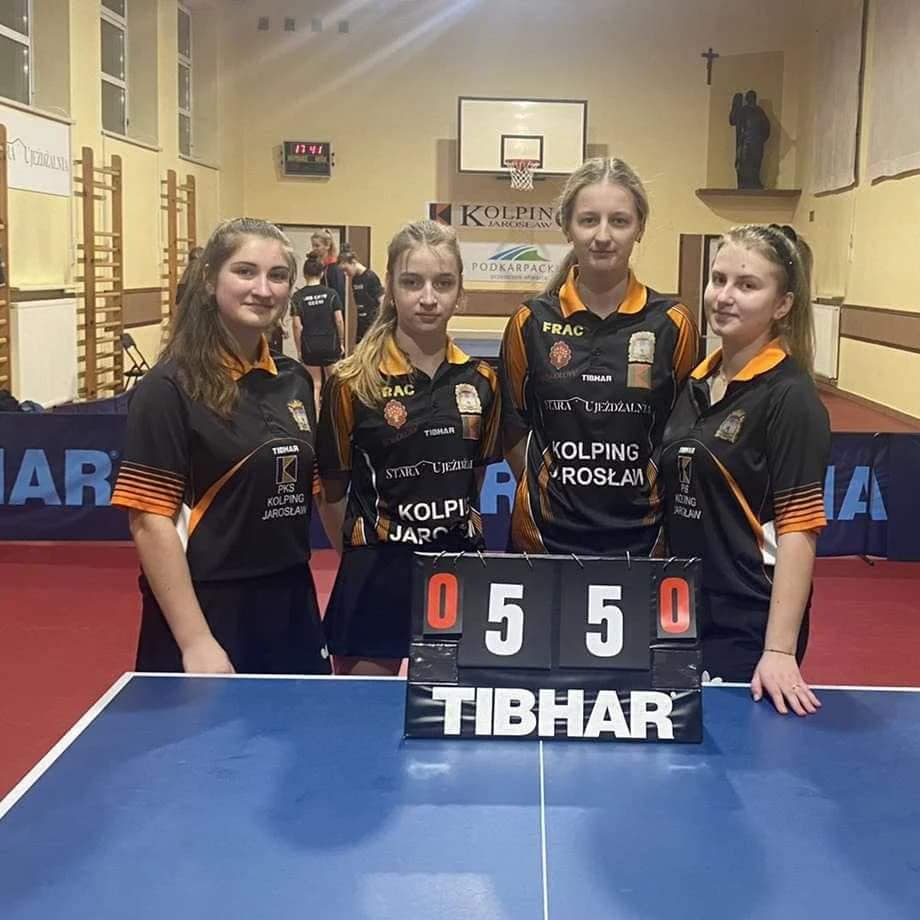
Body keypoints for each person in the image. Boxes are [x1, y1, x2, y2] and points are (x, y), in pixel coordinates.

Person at [111, 217, 330, 675]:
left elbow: (316, 495)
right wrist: (196, 641)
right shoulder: (168, 388)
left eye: (277, 276)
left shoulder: (294, 381)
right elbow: (150, 523)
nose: (263, 289)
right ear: (210, 280)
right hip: (209, 607)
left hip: (291, 603)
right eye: (245, 271)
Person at [317, 219, 501, 676]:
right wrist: (363, 557)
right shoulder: (351, 383)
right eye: (412, 282)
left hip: (457, 571)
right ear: (390, 288)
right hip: (375, 575)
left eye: (443, 283)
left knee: (449, 715)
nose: (428, 297)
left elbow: (471, 477)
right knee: (362, 713)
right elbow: (332, 493)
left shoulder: (482, 380)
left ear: (460, 292)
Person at [660, 223, 830, 715]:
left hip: (746, 623)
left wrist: (778, 651)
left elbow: (799, 530)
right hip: (681, 611)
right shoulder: (697, 380)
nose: (724, 296)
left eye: (747, 285)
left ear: (782, 305)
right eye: (718, 279)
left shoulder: (791, 398)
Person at [500, 157, 699, 556]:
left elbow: (683, 437)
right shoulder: (530, 322)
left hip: (643, 544)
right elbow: (513, 430)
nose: (603, 236)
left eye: (619, 221)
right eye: (589, 220)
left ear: (640, 227)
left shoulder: (673, 324)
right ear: (566, 226)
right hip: (544, 542)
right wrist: (557, 496)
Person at [291, 252, 344, 409]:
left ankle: (315, 418)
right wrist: (341, 342)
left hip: (310, 345)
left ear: (304, 274)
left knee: (315, 384)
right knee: (333, 383)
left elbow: (297, 326)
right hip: (330, 343)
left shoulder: (298, 297)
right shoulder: (331, 294)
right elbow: (339, 320)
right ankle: (334, 414)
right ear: (322, 273)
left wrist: (299, 350)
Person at [339, 249, 384, 344]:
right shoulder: (355, 280)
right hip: (361, 324)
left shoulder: (370, 277)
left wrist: (379, 325)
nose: (345, 274)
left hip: (372, 324)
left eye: (346, 269)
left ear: (353, 262)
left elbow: (382, 301)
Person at [310, 228, 347, 308]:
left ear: (327, 246)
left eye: (317, 246)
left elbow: (339, 294)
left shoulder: (334, 268)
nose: (314, 249)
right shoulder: (319, 266)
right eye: (313, 246)